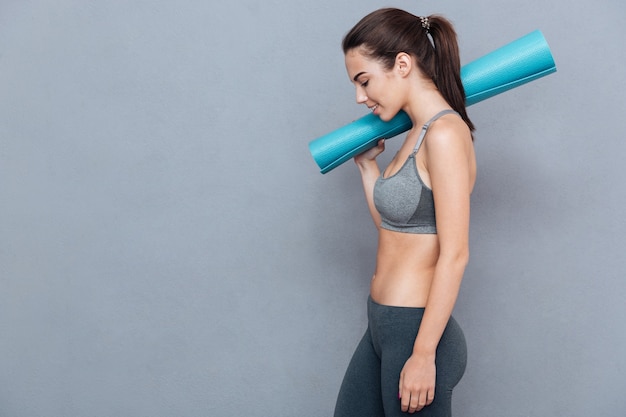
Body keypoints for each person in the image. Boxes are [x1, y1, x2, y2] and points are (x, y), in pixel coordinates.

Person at [333, 8, 476, 417]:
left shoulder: (446, 134)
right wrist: (368, 170)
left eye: (364, 81)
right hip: (381, 325)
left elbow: (455, 253)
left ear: (401, 64)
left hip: (416, 333)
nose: (360, 97)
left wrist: (423, 354)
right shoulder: (414, 132)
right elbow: (397, 231)